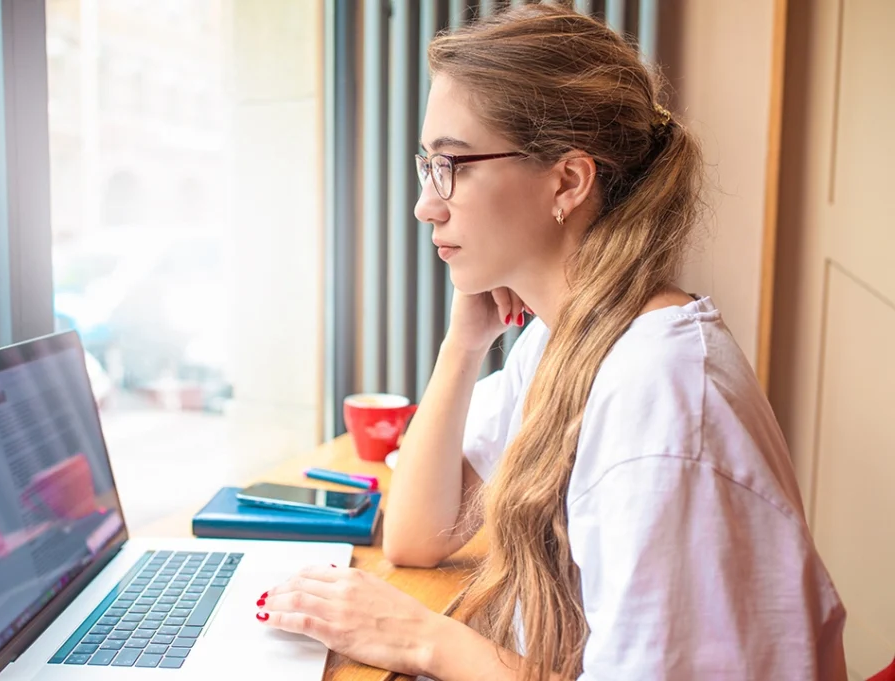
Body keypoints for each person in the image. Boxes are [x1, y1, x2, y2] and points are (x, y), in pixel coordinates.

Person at [254, 4, 847, 680]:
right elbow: (418, 535)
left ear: (567, 181)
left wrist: (424, 639)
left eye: (452, 164)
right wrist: (462, 344)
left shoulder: (660, 396)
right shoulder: (561, 341)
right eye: (427, 164)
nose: (425, 204)